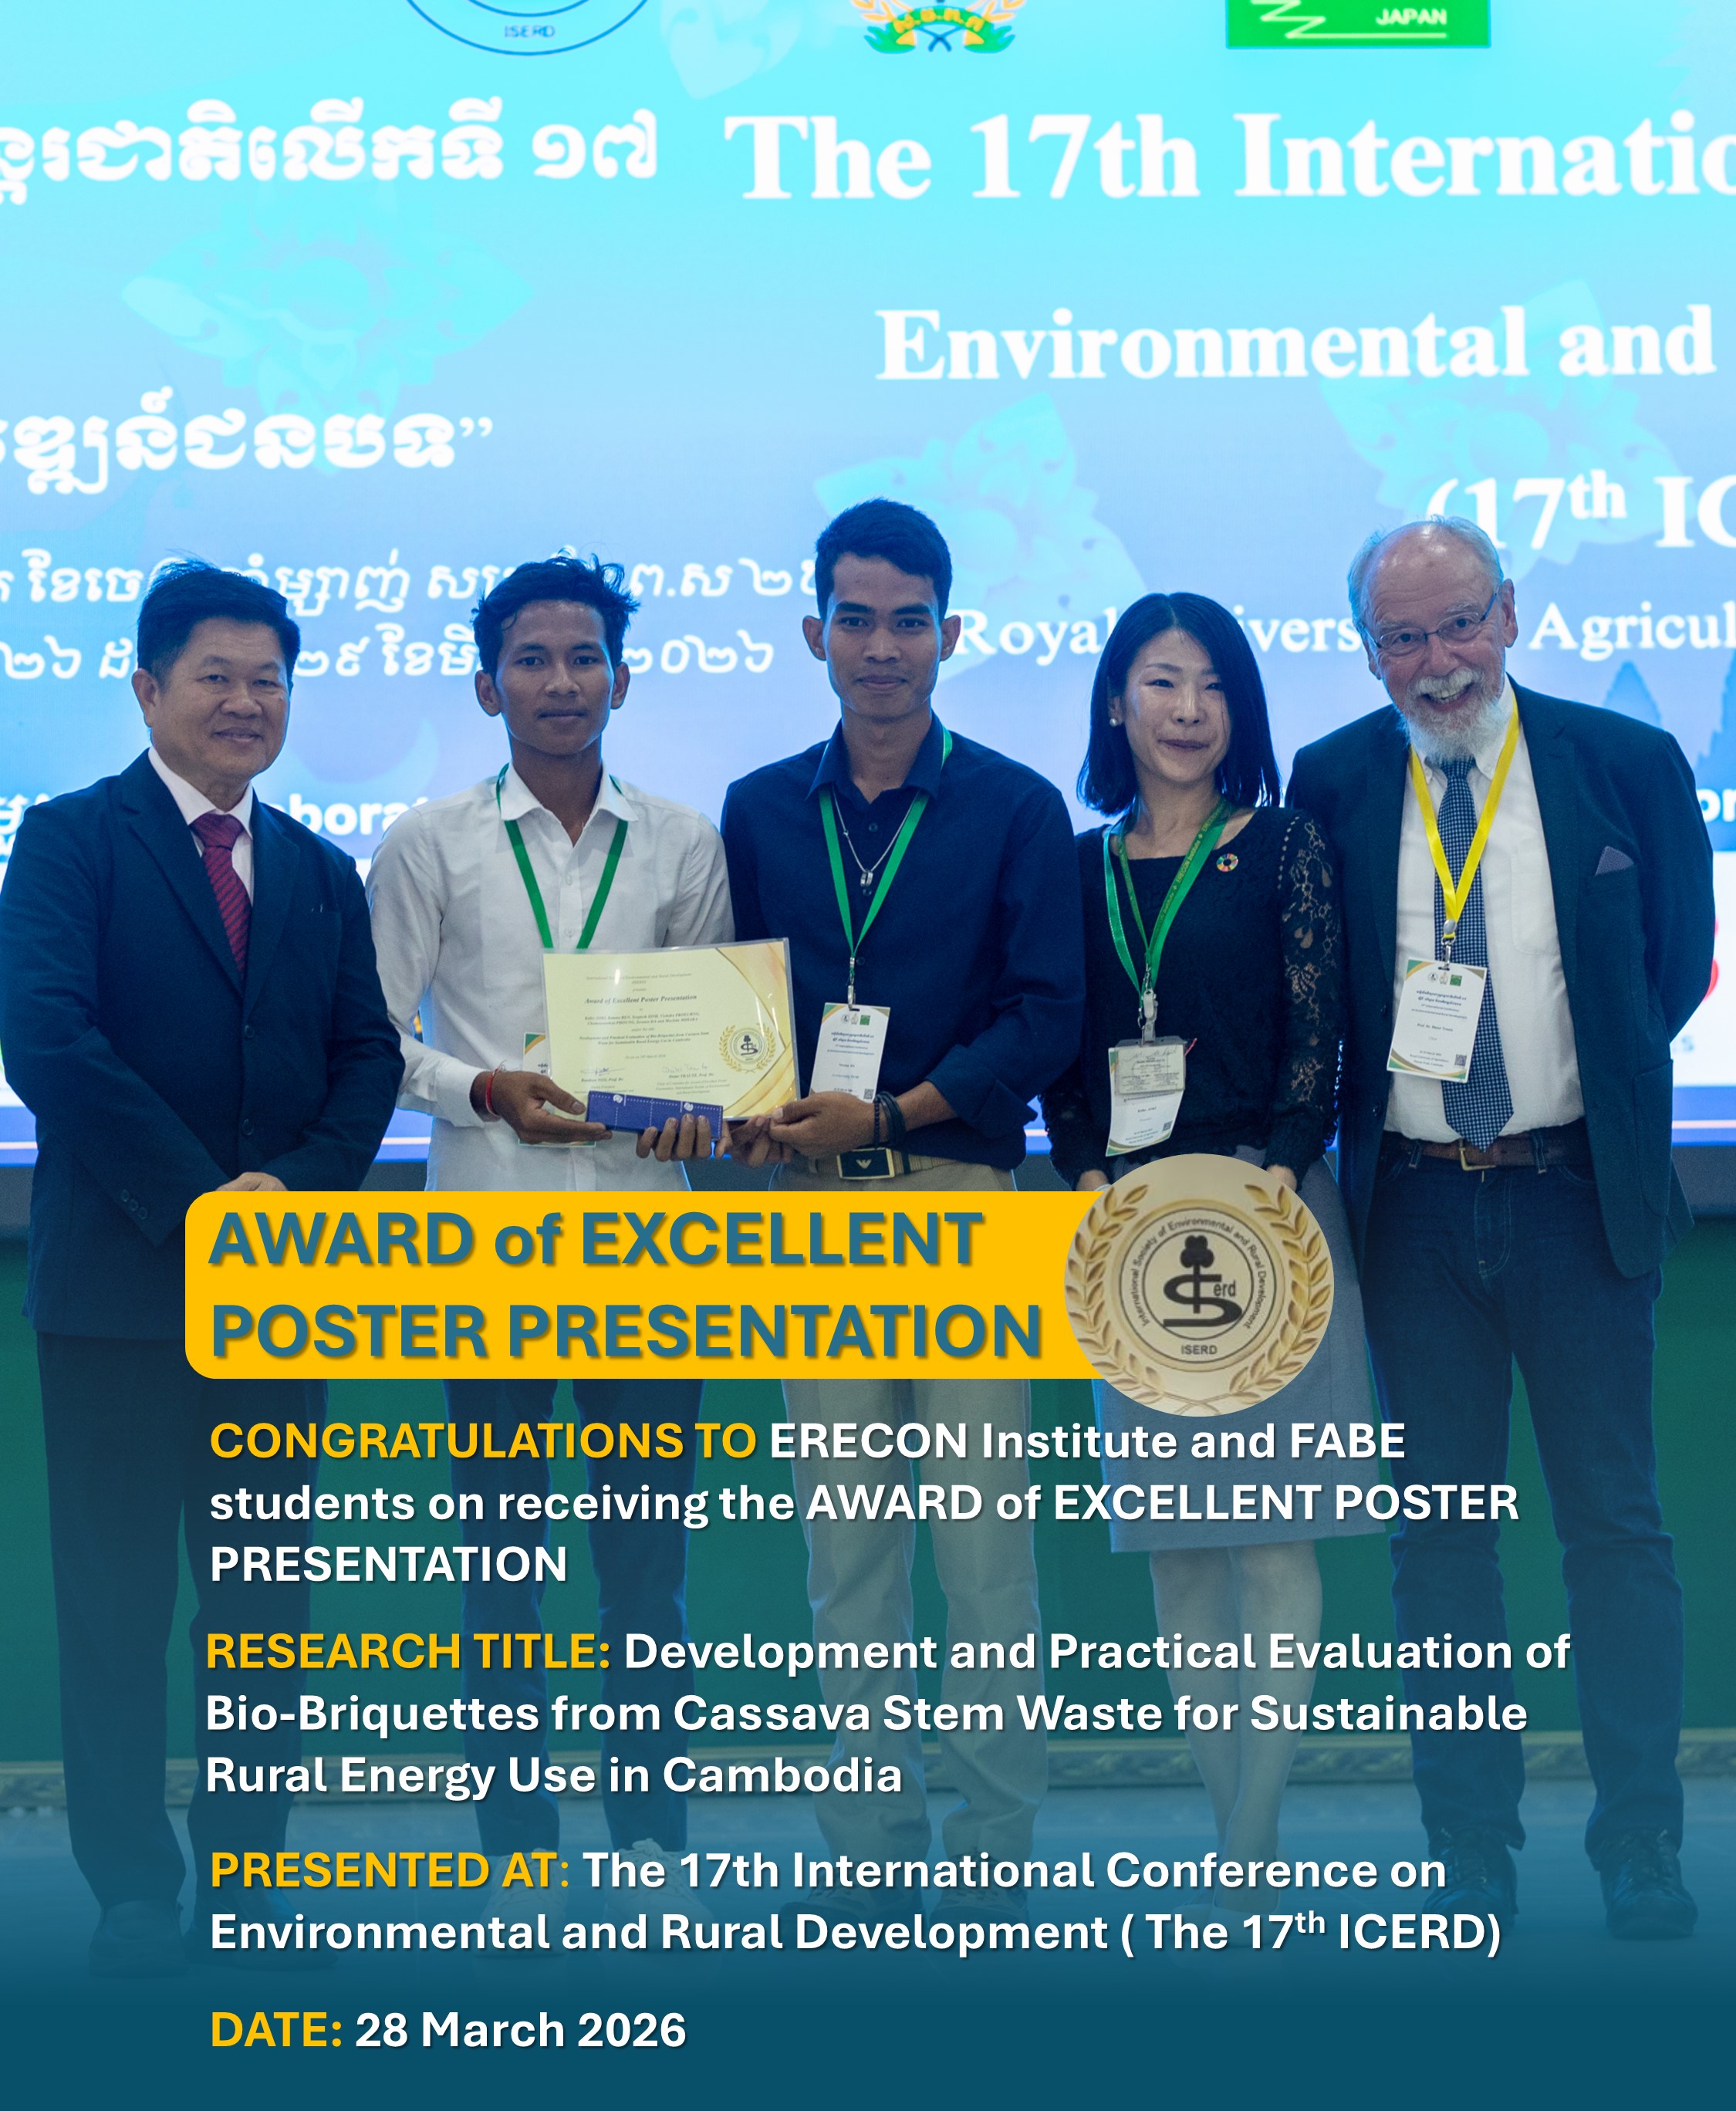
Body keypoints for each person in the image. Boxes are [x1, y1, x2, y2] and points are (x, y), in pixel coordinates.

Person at [1288, 515, 1713, 1940]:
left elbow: (1667, 974)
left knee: (1614, 1533)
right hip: (1411, 1215)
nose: (1438, 660)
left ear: (1511, 612)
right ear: (1368, 652)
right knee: (1439, 1549)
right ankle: (1468, 1848)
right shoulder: (1334, 779)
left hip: (1575, 1201)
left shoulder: (1623, 761)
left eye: (1459, 622)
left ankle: (1638, 1848)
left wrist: (1561, 1100)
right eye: (1402, 637)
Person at [0, 561, 403, 1978]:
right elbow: (48, 1042)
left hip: (279, 1301)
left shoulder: (317, 868)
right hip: (118, 1299)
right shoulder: (69, 839)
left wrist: (289, 1198)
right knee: (115, 1607)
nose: (246, 702)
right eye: (217, 677)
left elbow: (366, 1054)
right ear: (147, 688)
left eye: (268, 680)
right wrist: (204, 1206)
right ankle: (129, 1887)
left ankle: (249, 1878)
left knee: (263, 1613)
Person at [720, 498, 1084, 1925]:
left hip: (963, 1202)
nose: (883, 648)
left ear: (949, 632)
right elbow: (736, 1011)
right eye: (856, 620)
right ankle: (869, 1840)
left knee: (984, 1548)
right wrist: (744, 1105)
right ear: (814, 631)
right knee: (849, 1546)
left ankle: (995, 1840)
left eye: (909, 621)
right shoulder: (759, 808)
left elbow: (1044, 1016)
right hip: (808, 1214)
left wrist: (892, 1115)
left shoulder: (1014, 806)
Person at [366, 555, 728, 1941]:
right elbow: (378, 1039)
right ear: (487, 685)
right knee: (501, 1563)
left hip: (648, 1251)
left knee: (647, 1565)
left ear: (622, 680)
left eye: (583, 658)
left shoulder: (682, 842)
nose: (559, 682)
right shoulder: (428, 842)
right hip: (493, 1247)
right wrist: (483, 1088)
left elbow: (714, 1046)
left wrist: (699, 1109)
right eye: (532, 658)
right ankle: (515, 1848)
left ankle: (650, 1839)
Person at [1042, 592, 1375, 1919]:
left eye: (1214, 686)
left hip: (1270, 1210)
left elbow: (1319, 1031)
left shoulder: (1283, 846)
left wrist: (1280, 1166)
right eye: (1162, 682)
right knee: (1179, 1546)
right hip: (1128, 1230)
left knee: (1277, 1535)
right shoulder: (1074, 868)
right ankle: (1227, 1817)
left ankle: (1254, 1831)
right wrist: (1084, 1170)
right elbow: (1061, 1043)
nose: (1189, 711)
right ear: (1114, 700)